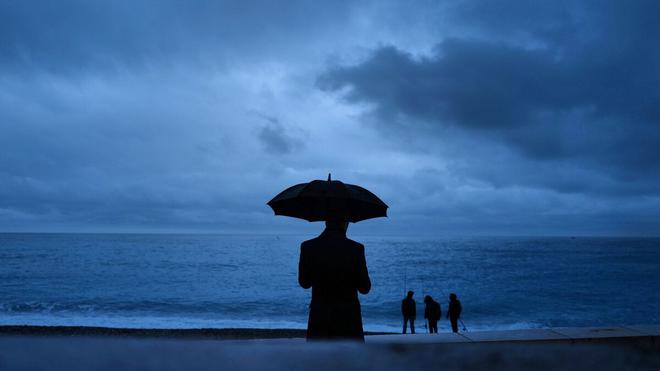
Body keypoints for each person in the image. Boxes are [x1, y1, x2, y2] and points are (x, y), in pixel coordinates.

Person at [298, 214, 371, 341]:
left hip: (319, 317)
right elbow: (365, 288)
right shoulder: (356, 249)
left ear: (326, 223)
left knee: (319, 358)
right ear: (345, 223)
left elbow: (304, 283)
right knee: (349, 359)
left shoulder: (308, 247)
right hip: (349, 319)